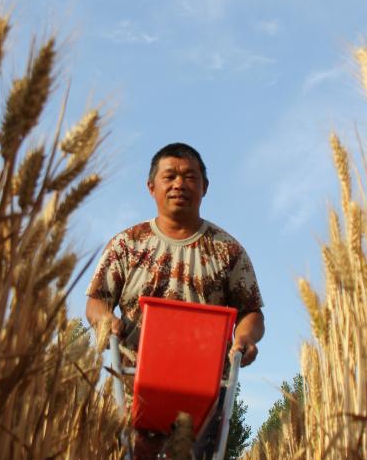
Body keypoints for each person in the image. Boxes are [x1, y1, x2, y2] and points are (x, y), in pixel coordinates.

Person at [85, 141, 264, 365]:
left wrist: (245, 337)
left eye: (189, 177)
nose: (179, 184)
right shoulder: (126, 245)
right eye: (169, 177)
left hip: (206, 387)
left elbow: (251, 312)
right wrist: (105, 320)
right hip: (132, 384)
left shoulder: (228, 250)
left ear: (205, 187)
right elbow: (97, 302)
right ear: (151, 187)